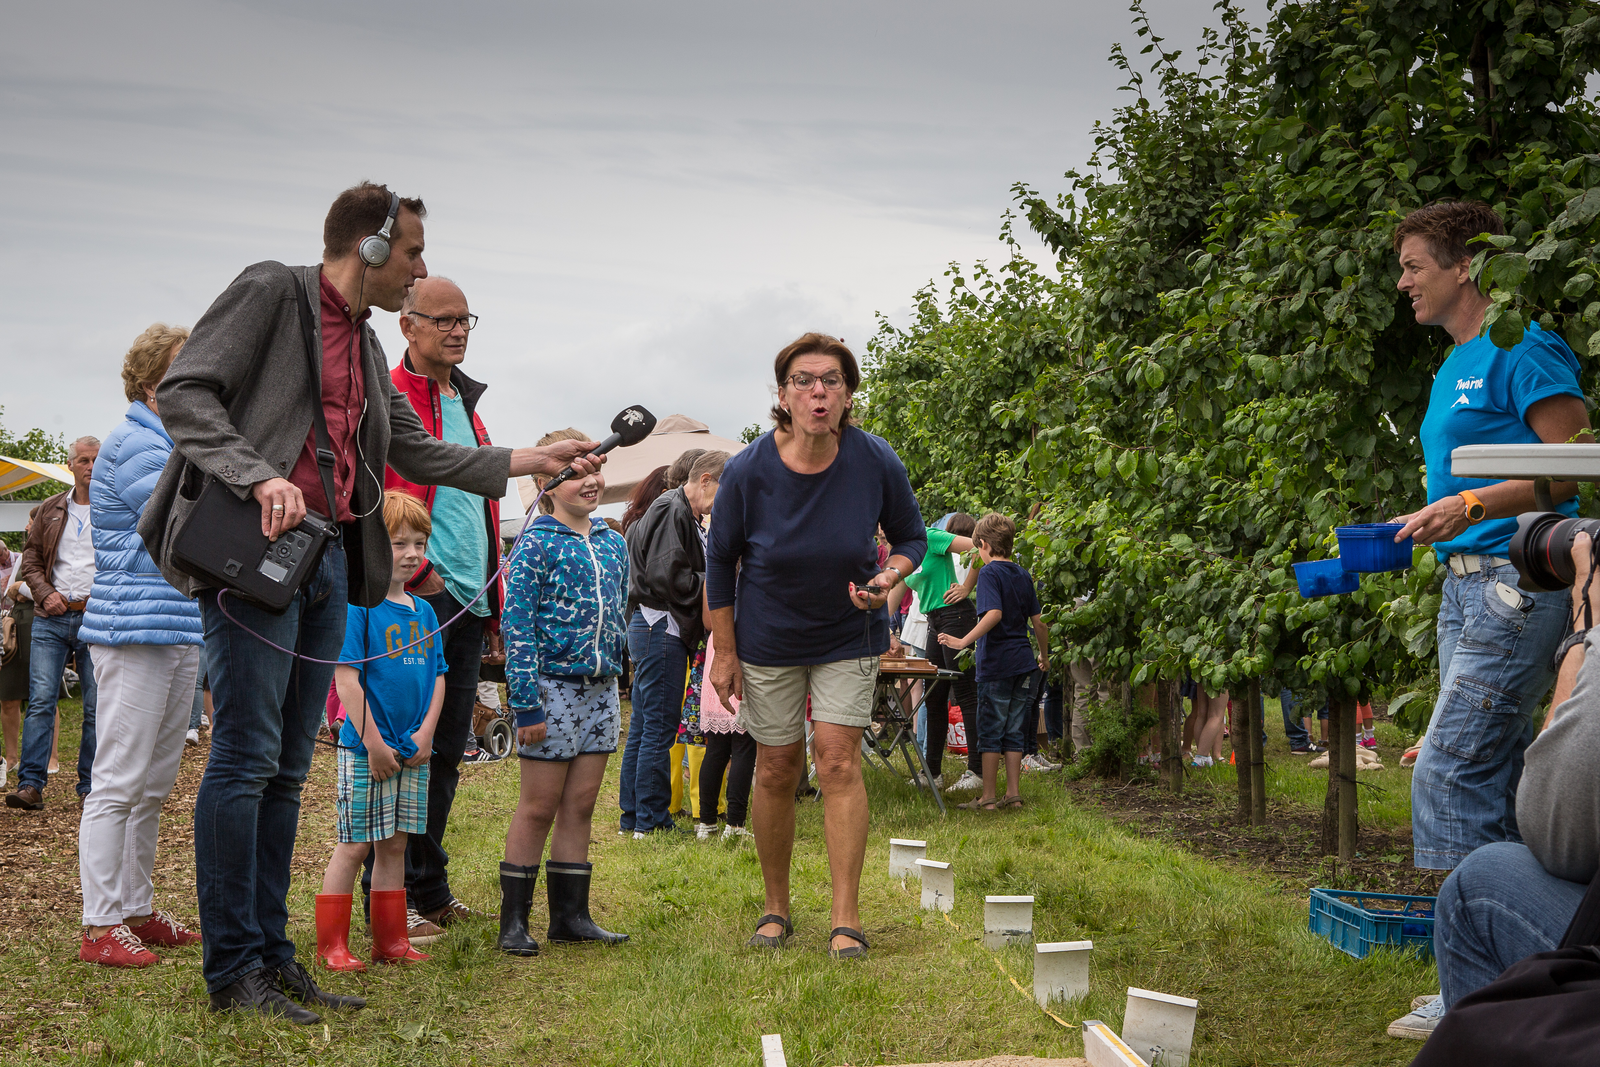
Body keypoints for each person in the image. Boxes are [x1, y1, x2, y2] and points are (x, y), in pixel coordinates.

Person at [138, 180, 606, 1023]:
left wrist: (537, 458)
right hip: (255, 555)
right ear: (376, 245)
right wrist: (258, 474)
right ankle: (231, 968)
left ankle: (275, 959)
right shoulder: (273, 292)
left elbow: (422, 451)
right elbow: (185, 394)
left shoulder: (359, 343)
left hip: (326, 562)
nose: (420, 269)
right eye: (415, 252)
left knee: (284, 768)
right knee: (245, 757)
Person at [706, 331, 925, 959]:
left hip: (846, 633)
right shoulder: (748, 470)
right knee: (777, 767)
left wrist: (892, 575)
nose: (818, 391)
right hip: (768, 637)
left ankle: (845, 916)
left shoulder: (875, 459)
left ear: (849, 393)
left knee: (836, 762)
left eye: (831, 380)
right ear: (783, 395)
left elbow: (912, 537)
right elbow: (721, 565)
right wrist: (724, 652)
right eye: (804, 380)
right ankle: (776, 908)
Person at [1389, 200, 1591, 873]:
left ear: (1466, 264)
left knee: (1449, 775)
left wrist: (1468, 506)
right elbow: (1465, 488)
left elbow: (1574, 466)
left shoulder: (1521, 346)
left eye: (1414, 266)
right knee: (1490, 774)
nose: (1403, 281)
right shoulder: (1453, 364)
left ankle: (1466, 977)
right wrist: (1433, 518)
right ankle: (1517, 963)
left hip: (1516, 583)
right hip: (1464, 590)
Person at [1390, 529, 1600, 1042]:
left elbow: (1557, 836)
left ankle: (1473, 996)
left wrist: (1585, 627)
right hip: (1465, 577)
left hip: (1500, 582)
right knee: (1487, 764)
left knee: (1453, 789)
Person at [76, 323, 206, 968]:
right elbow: (188, 517)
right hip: (134, 627)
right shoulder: (134, 445)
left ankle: (135, 908)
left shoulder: (171, 441)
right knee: (119, 780)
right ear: (155, 386)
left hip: (176, 623)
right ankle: (100, 923)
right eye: (187, 372)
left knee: (152, 783)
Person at [379, 274, 503, 940]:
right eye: (443, 319)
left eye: (465, 320)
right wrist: (420, 574)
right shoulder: (393, 396)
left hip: (468, 601)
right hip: (417, 599)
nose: (457, 330)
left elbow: (481, 503)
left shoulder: (467, 402)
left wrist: (492, 598)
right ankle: (386, 891)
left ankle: (427, 889)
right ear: (407, 326)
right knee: (404, 748)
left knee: (449, 749)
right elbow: (379, 492)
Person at [497, 429, 631, 956]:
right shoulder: (535, 543)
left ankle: (570, 916)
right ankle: (514, 922)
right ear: (544, 484)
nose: (590, 481)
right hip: (550, 690)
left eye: (594, 470)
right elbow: (518, 625)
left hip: (601, 693)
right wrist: (525, 700)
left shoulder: (612, 540)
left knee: (581, 804)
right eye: (574, 473)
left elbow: (618, 611)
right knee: (538, 805)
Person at [316, 491, 447, 971]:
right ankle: (332, 944)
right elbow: (346, 680)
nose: (412, 554)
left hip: (414, 750)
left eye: (419, 543)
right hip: (366, 751)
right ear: (372, 546)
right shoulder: (357, 608)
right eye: (398, 544)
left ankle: (389, 940)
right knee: (355, 844)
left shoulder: (425, 612)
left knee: (396, 843)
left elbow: (438, 675)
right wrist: (373, 743)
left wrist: (428, 733)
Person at [622, 452, 720, 837]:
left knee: (646, 726)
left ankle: (633, 817)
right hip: (659, 626)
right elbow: (668, 575)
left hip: (657, 627)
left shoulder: (680, 511)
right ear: (707, 480)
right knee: (658, 729)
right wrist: (713, 582)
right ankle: (651, 820)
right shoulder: (671, 507)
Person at [7, 435, 100, 810]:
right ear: (71, 466)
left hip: (95, 617)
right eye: (83, 460)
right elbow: (29, 559)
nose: (90, 467)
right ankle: (30, 783)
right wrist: (44, 593)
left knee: (96, 704)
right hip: (50, 616)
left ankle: (90, 786)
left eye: (95, 460)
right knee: (41, 700)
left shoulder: (114, 507)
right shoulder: (49, 509)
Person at [937, 513, 1049, 811]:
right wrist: (1044, 656)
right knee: (1014, 730)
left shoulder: (989, 574)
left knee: (990, 730)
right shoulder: (1023, 574)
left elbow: (993, 614)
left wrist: (962, 642)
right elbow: (1039, 623)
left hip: (997, 664)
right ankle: (1012, 794)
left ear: (983, 545)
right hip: (1024, 663)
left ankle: (987, 796)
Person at [900, 514, 977, 790]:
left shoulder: (931, 536)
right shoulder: (906, 553)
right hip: (934, 621)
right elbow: (895, 592)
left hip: (957, 616)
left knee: (966, 694)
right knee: (934, 697)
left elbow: (979, 547)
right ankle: (932, 772)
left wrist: (967, 587)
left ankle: (976, 772)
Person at [697, 634, 755, 840]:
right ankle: (735, 824)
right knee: (743, 747)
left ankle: (707, 822)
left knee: (716, 750)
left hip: (719, 649)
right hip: (741, 648)